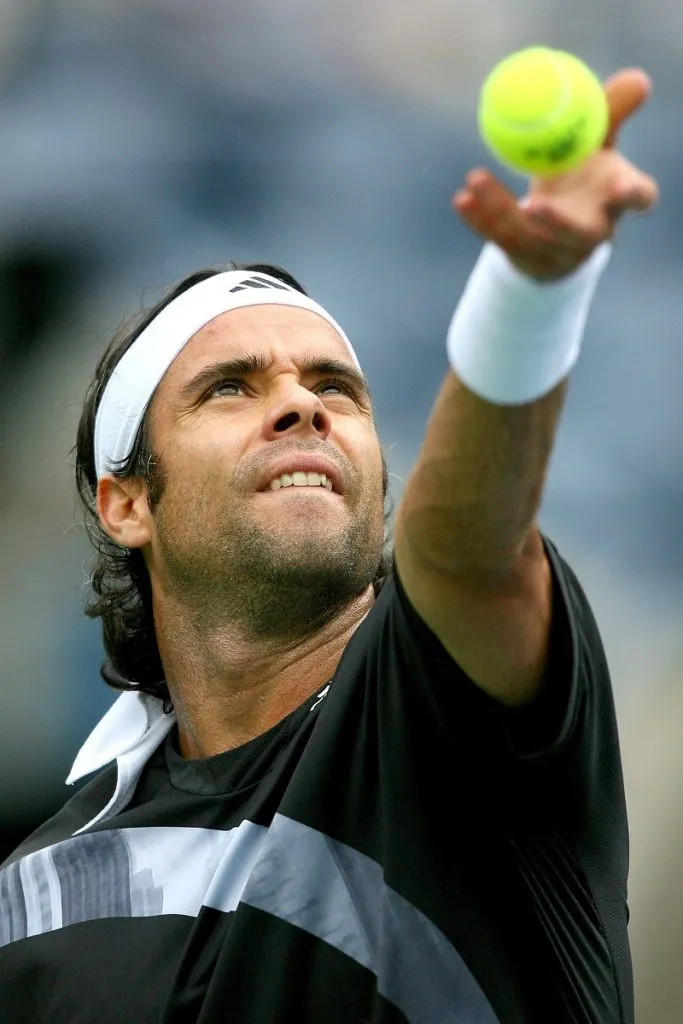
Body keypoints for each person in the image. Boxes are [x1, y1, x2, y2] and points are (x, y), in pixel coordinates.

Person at [0, 68, 658, 1024]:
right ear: (126, 502)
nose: (302, 406)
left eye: (335, 389)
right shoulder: (36, 900)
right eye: (230, 388)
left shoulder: (446, 712)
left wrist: (528, 297)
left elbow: (468, 551)